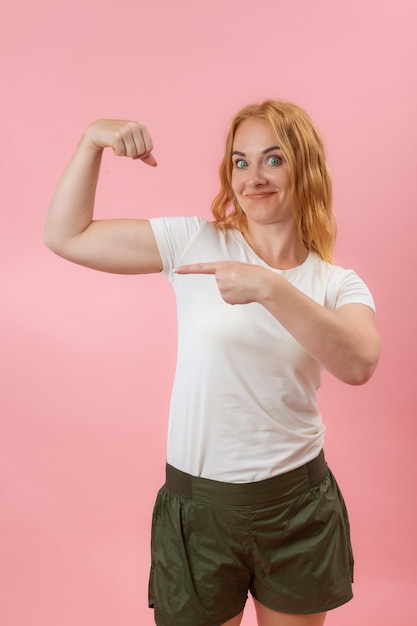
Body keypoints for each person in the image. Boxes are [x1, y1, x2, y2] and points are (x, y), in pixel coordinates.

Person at [44, 100, 380, 626]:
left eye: (273, 159)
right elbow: (67, 236)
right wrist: (91, 142)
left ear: (305, 166)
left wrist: (270, 287)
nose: (253, 177)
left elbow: (359, 362)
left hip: (297, 506)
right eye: (240, 162)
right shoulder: (194, 242)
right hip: (198, 510)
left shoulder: (337, 283)